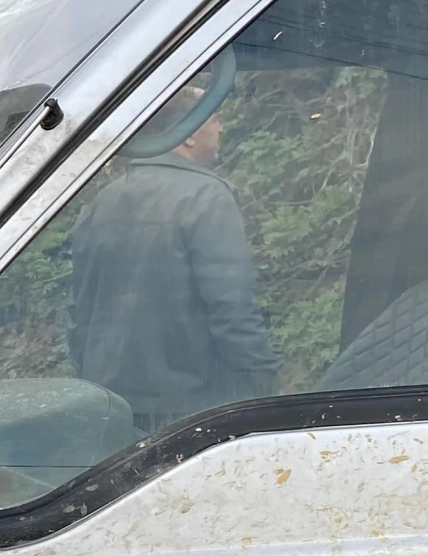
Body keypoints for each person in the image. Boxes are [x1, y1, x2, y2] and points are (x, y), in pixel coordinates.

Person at [65, 51, 279, 434]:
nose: (222, 128)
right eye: (215, 118)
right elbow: (233, 309)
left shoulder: (104, 199)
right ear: (190, 133)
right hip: (187, 405)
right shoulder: (207, 197)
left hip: (110, 403)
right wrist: (265, 387)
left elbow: (79, 309)